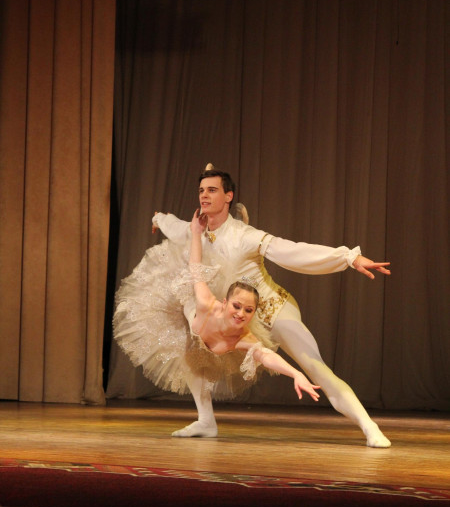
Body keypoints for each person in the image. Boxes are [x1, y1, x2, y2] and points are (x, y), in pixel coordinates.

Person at [151, 165, 392, 447]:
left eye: (212, 190)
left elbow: (293, 251)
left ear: (228, 196)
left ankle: (369, 425)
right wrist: (157, 218)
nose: (204, 195)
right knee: (194, 349)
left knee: (315, 367)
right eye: (202, 190)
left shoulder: (246, 236)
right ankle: (206, 421)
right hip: (236, 317)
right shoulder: (194, 230)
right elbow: (171, 224)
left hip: (270, 309)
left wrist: (349, 258)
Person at [113, 209, 320, 424]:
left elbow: (266, 356)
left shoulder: (243, 338)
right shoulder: (206, 303)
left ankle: (205, 421)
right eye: (237, 307)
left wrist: (296, 374)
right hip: (182, 299)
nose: (240, 314)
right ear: (224, 303)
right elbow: (195, 266)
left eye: (248, 311)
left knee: (196, 366)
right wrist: (196, 233)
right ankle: (159, 217)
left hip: (205, 334)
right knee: (184, 236)